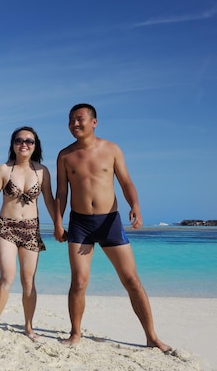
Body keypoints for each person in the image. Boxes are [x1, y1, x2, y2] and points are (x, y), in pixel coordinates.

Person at [53, 103, 171, 353]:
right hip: (80, 224)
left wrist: (135, 206)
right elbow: (61, 192)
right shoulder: (65, 155)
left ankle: (151, 336)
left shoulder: (111, 149)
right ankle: (75, 333)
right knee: (79, 282)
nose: (75, 124)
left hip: (110, 222)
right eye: (71, 120)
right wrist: (57, 223)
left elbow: (126, 181)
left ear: (94, 122)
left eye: (80, 119)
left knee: (131, 280)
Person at [0, 126, 55, 342]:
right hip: (6, 227)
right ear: (13, 144)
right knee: (7, 277)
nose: (24, 144)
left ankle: (29, 327)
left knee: (28, 281)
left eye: (29, 141)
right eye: (19, 140)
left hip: (31, 228)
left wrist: (58, 225)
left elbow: (49, 201)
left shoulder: (43, 171)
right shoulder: (3, 169)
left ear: (36, 146)